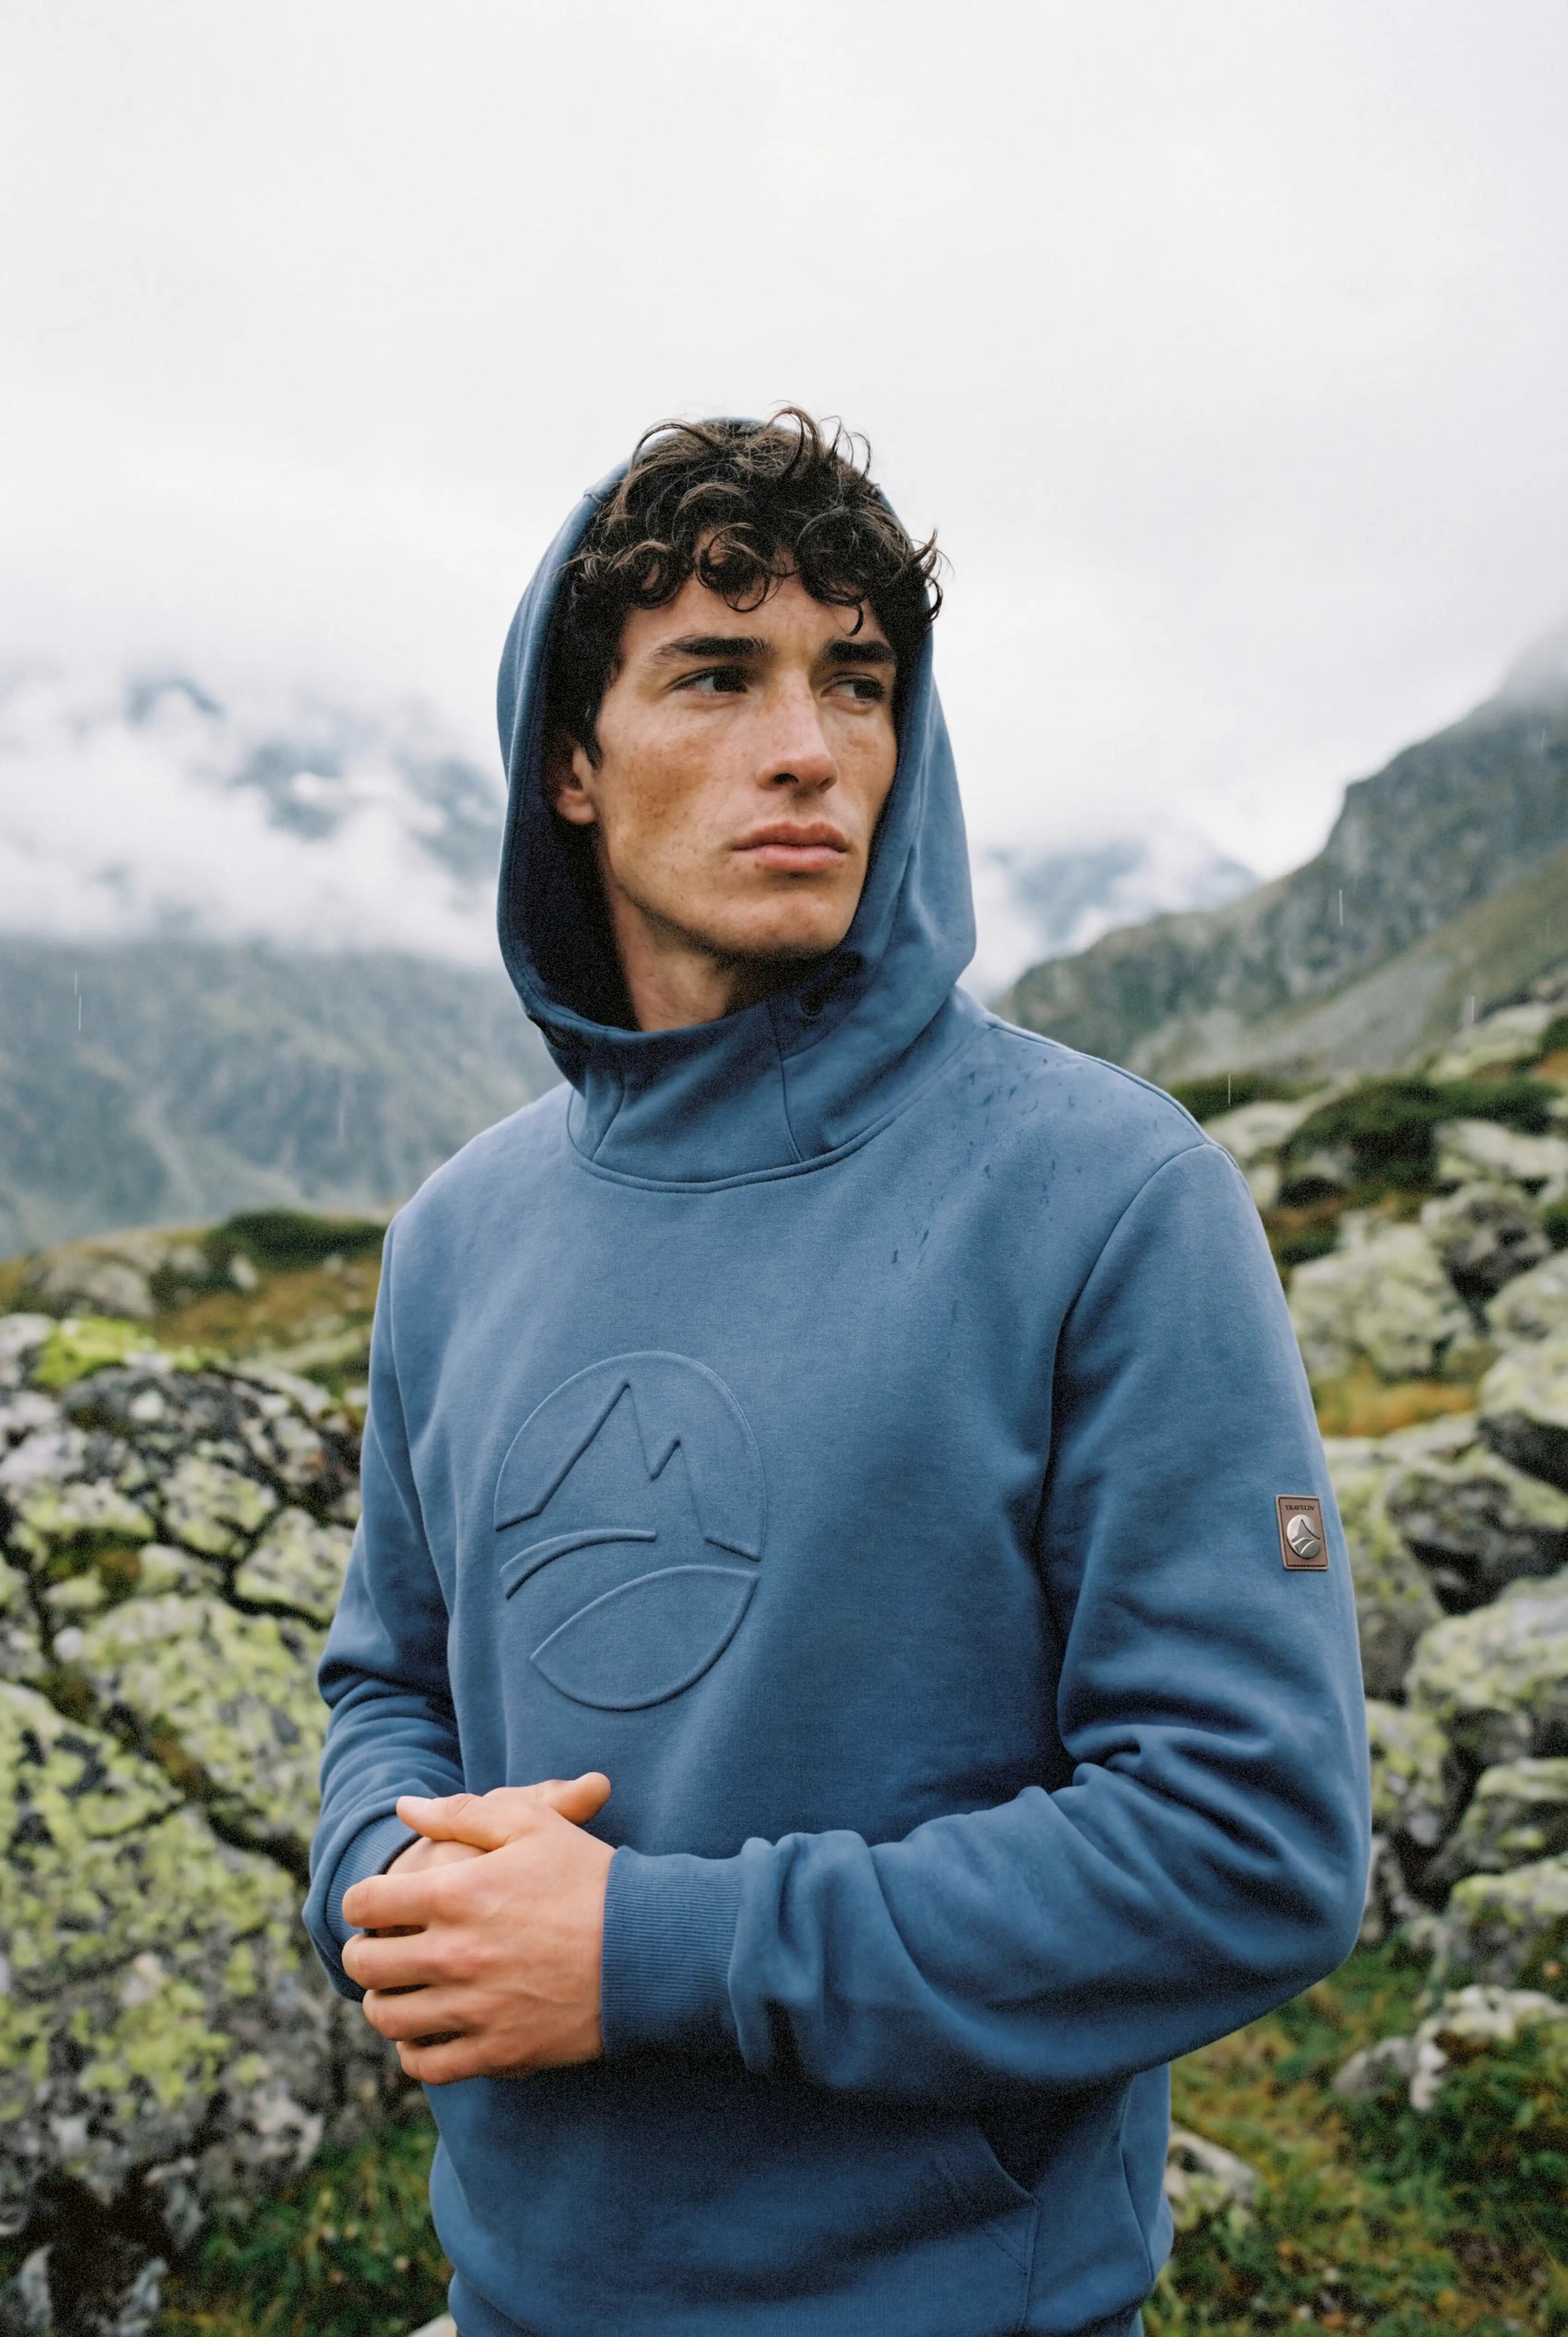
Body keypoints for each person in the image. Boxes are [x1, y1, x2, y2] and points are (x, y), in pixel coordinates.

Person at [304, 410, 1369, 2337]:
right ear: (568, 762)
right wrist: (393, 1882)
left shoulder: (1108, 1197)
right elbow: (391, 1679)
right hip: (515, 2298)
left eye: (855, 682)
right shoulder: (457, 1235)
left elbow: (1249, 1840)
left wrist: (654, 1950)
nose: (806, 746)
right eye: (716, 676)